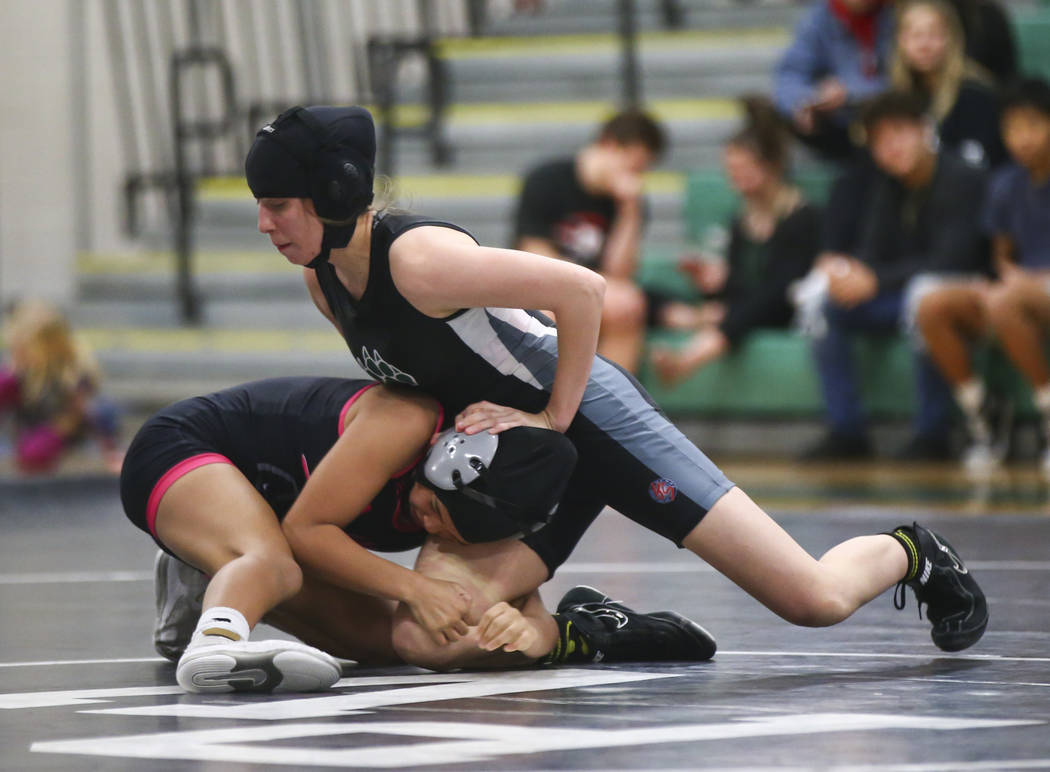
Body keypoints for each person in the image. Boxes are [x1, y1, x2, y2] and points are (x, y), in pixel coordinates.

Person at [244, 103, 989, 671]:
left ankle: (915, 553)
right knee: (442, 634)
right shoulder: (326, 281)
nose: (263, 224)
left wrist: (552, 412)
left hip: (595, 423)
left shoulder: (420, 261)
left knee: (812, 600)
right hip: (531, 465)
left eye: (278, 205)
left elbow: (584, 291)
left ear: (334, 193)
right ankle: (595, 629)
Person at [125, 376, 716, 692]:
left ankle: (204, 570)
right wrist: (416, 588)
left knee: (409, 642)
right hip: (188, 449)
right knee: (275, 563)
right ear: (449, 457)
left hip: (264, 512)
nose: (427, 525)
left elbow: (504, 613)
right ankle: (217, 644)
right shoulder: (404, 420)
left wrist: (531, 635)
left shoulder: (484, 507)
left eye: (446, 529)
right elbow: (307, 532)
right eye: (433, 509)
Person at [794, 90, 991, 462]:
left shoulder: (962, 177)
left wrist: (876, 280)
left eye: (899, 133)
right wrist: (853, 275)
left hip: (959, 297)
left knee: (923, 294)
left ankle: (934, 433)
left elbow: (951, 259)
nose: (891, 147)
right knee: (822, 302)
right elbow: (872, 250)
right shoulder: (887, 184)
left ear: (923, 130)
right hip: (901, 290)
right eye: (880, 141)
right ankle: (847, 430)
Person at [914, 78, 1050, 469]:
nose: (1022, 138)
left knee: (1006, 301)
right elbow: (1001, 258)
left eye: (1033, 125)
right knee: (933, 305)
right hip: (1017, 290)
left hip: (1034, 290)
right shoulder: (1005, 183)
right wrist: (1003, 281)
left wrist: (1026, 283)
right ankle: (985, 411)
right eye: (1013, 128)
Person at [649, 97, 821, 384]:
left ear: (772, 166)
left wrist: (729, 299)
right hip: (745, 305)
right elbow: (739, 285)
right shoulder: (740, 220)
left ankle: (686, 361)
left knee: (749, 308)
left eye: (744, 169)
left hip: (785, 309)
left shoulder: (803, 217)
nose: (736, 178)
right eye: (732, 170)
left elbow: (784, 288)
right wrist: (713, 281)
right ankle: (699, 319)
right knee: (649, 295)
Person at [513, 109, 667, 374]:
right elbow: (535, 255)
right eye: (632, 166)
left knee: (628, 305)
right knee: (546, 314)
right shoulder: (547, 180)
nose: (634, 178)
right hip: (541, 284)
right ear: (608, 144)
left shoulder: (630, 204)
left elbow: (621, 274)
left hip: (593, 290)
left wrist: (630, 213)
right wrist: (586, 289)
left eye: (641, 171)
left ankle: (609, 406)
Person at [0, 298, 122, 474]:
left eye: (21, 348)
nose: (15, 354)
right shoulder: (20, 377)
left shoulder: (72, 380)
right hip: (34, 442)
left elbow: (34, 454)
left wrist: (108, 449)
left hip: (68, 451)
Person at [889, 0, 1007, 169]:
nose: (924, 45)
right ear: (900, 41)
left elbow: (978, 163)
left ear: (952, 39)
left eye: (934, 35)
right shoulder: (897, 96)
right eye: (915, 35)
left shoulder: (975, 93)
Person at [773, 0, 895, 160]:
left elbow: (902, 83)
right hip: (839, 127)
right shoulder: (819, 17)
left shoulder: (895, 15)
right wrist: (805, 102)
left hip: (887, 118)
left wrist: (848, 93)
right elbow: (789, 75)